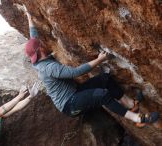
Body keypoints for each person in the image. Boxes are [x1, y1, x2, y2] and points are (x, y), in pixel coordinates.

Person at [23, 5, 159, 127]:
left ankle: (131, 105)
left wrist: (29, 16)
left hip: (75, 92)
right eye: (41, 44)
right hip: (69, 104)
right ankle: (138, 118)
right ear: (40, 49)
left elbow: (33, 38)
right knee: (102, 95)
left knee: (105, 79)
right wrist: (99, 59)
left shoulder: (37, 58)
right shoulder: (48, 68)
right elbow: (75, 73)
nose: (42, 43)